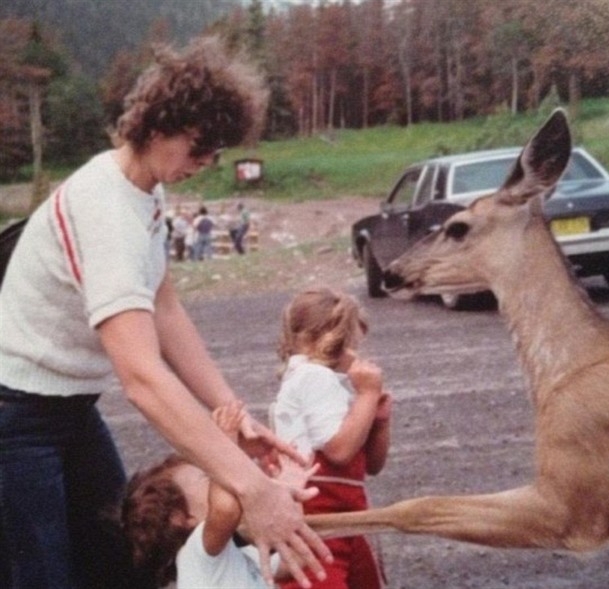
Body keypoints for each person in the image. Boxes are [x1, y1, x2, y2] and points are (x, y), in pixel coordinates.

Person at [0, 36, 330, 589]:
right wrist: (251, 487)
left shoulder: (142, 192)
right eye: (199, 147)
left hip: (71, 408)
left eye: (216, 152)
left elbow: (166, 308)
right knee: (43, 574)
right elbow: (144, 379)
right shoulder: (106, 209)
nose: (206, 163)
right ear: (157, 126)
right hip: (15, 416)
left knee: (120, 557)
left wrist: (231, 411)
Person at [122, 401, 319, 588]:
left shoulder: (236, 553)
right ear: (181, 518)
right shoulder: (196, 554)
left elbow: (296, 557)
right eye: (210, 476)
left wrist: (290, 491)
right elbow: (225, 509)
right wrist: (224, 447)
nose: (224, 477)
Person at [272, 287, 392, 589]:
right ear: (327, 339)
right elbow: (339, 451)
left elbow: (372, 466)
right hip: (320, 518)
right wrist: (366, 394)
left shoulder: (328, 383)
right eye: (353, 344)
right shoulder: (314, 377)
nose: (357, 356)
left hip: (347, 517)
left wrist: (379, 421)